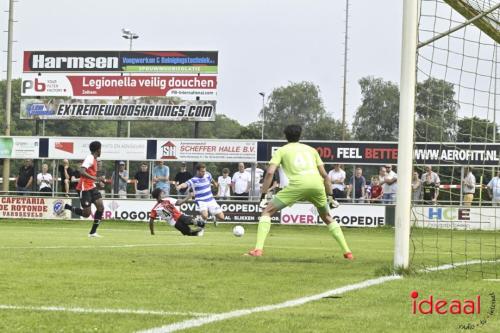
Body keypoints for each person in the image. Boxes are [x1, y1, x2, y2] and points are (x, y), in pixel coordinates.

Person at [247, 124, 352, 259]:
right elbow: (325, 176)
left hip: (297, 185)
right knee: (327, 217)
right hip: (316, 185)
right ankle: (347, 252)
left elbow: (270, 173)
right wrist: (330, 196)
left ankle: (258, 250)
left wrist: (263, 195)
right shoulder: (311, 150)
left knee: (267, 211)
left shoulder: (281, 150)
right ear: (300, 135)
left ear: (285, 136)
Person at [59, 141, 105, 237]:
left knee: (100, 207)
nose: (101, 150)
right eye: (100, 148)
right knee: (86, 214)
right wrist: (96, 178)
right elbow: (81, 171)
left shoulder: (95, 159)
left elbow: (90, 173)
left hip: (91, 186)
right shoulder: (90, 158)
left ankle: (93, 232)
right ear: (98, 150)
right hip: (84, 188)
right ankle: (69, 207)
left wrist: (97, 181)